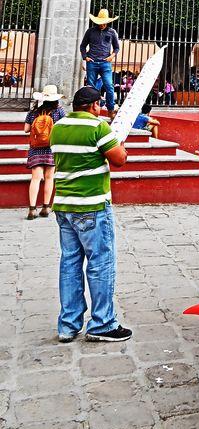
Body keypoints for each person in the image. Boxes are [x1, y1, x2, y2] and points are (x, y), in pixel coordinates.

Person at [50, 85, 131, 342]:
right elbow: (119, 159)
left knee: (70, 263)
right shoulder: (98, 127)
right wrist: (120, 144)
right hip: (92, 205)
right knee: (100, 263)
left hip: (64, 205)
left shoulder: (58, 127)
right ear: (95, 105)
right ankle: (102, 323)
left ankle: (68, 324)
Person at [23, 84, 65, 220]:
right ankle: (46, 207)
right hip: (51, 148)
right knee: (49, 177)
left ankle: (32, 209)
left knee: (35, 178)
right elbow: (63, 128)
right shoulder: (59, 112)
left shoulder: (33, 112)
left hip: (36, 149)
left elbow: (26, 129)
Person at [80, 8, 120, 118]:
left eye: (104, 23)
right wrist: (85, 57)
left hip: (105, 63)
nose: (102, 25)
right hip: (92, 62)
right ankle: (91, 109)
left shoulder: (112, 32)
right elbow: (82, 46)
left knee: (109, 86)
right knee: (91, 88)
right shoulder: (90, 31)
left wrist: (111, 56)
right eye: (100, 23)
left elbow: (116, 48)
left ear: (107, 22)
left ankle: (110, 109)